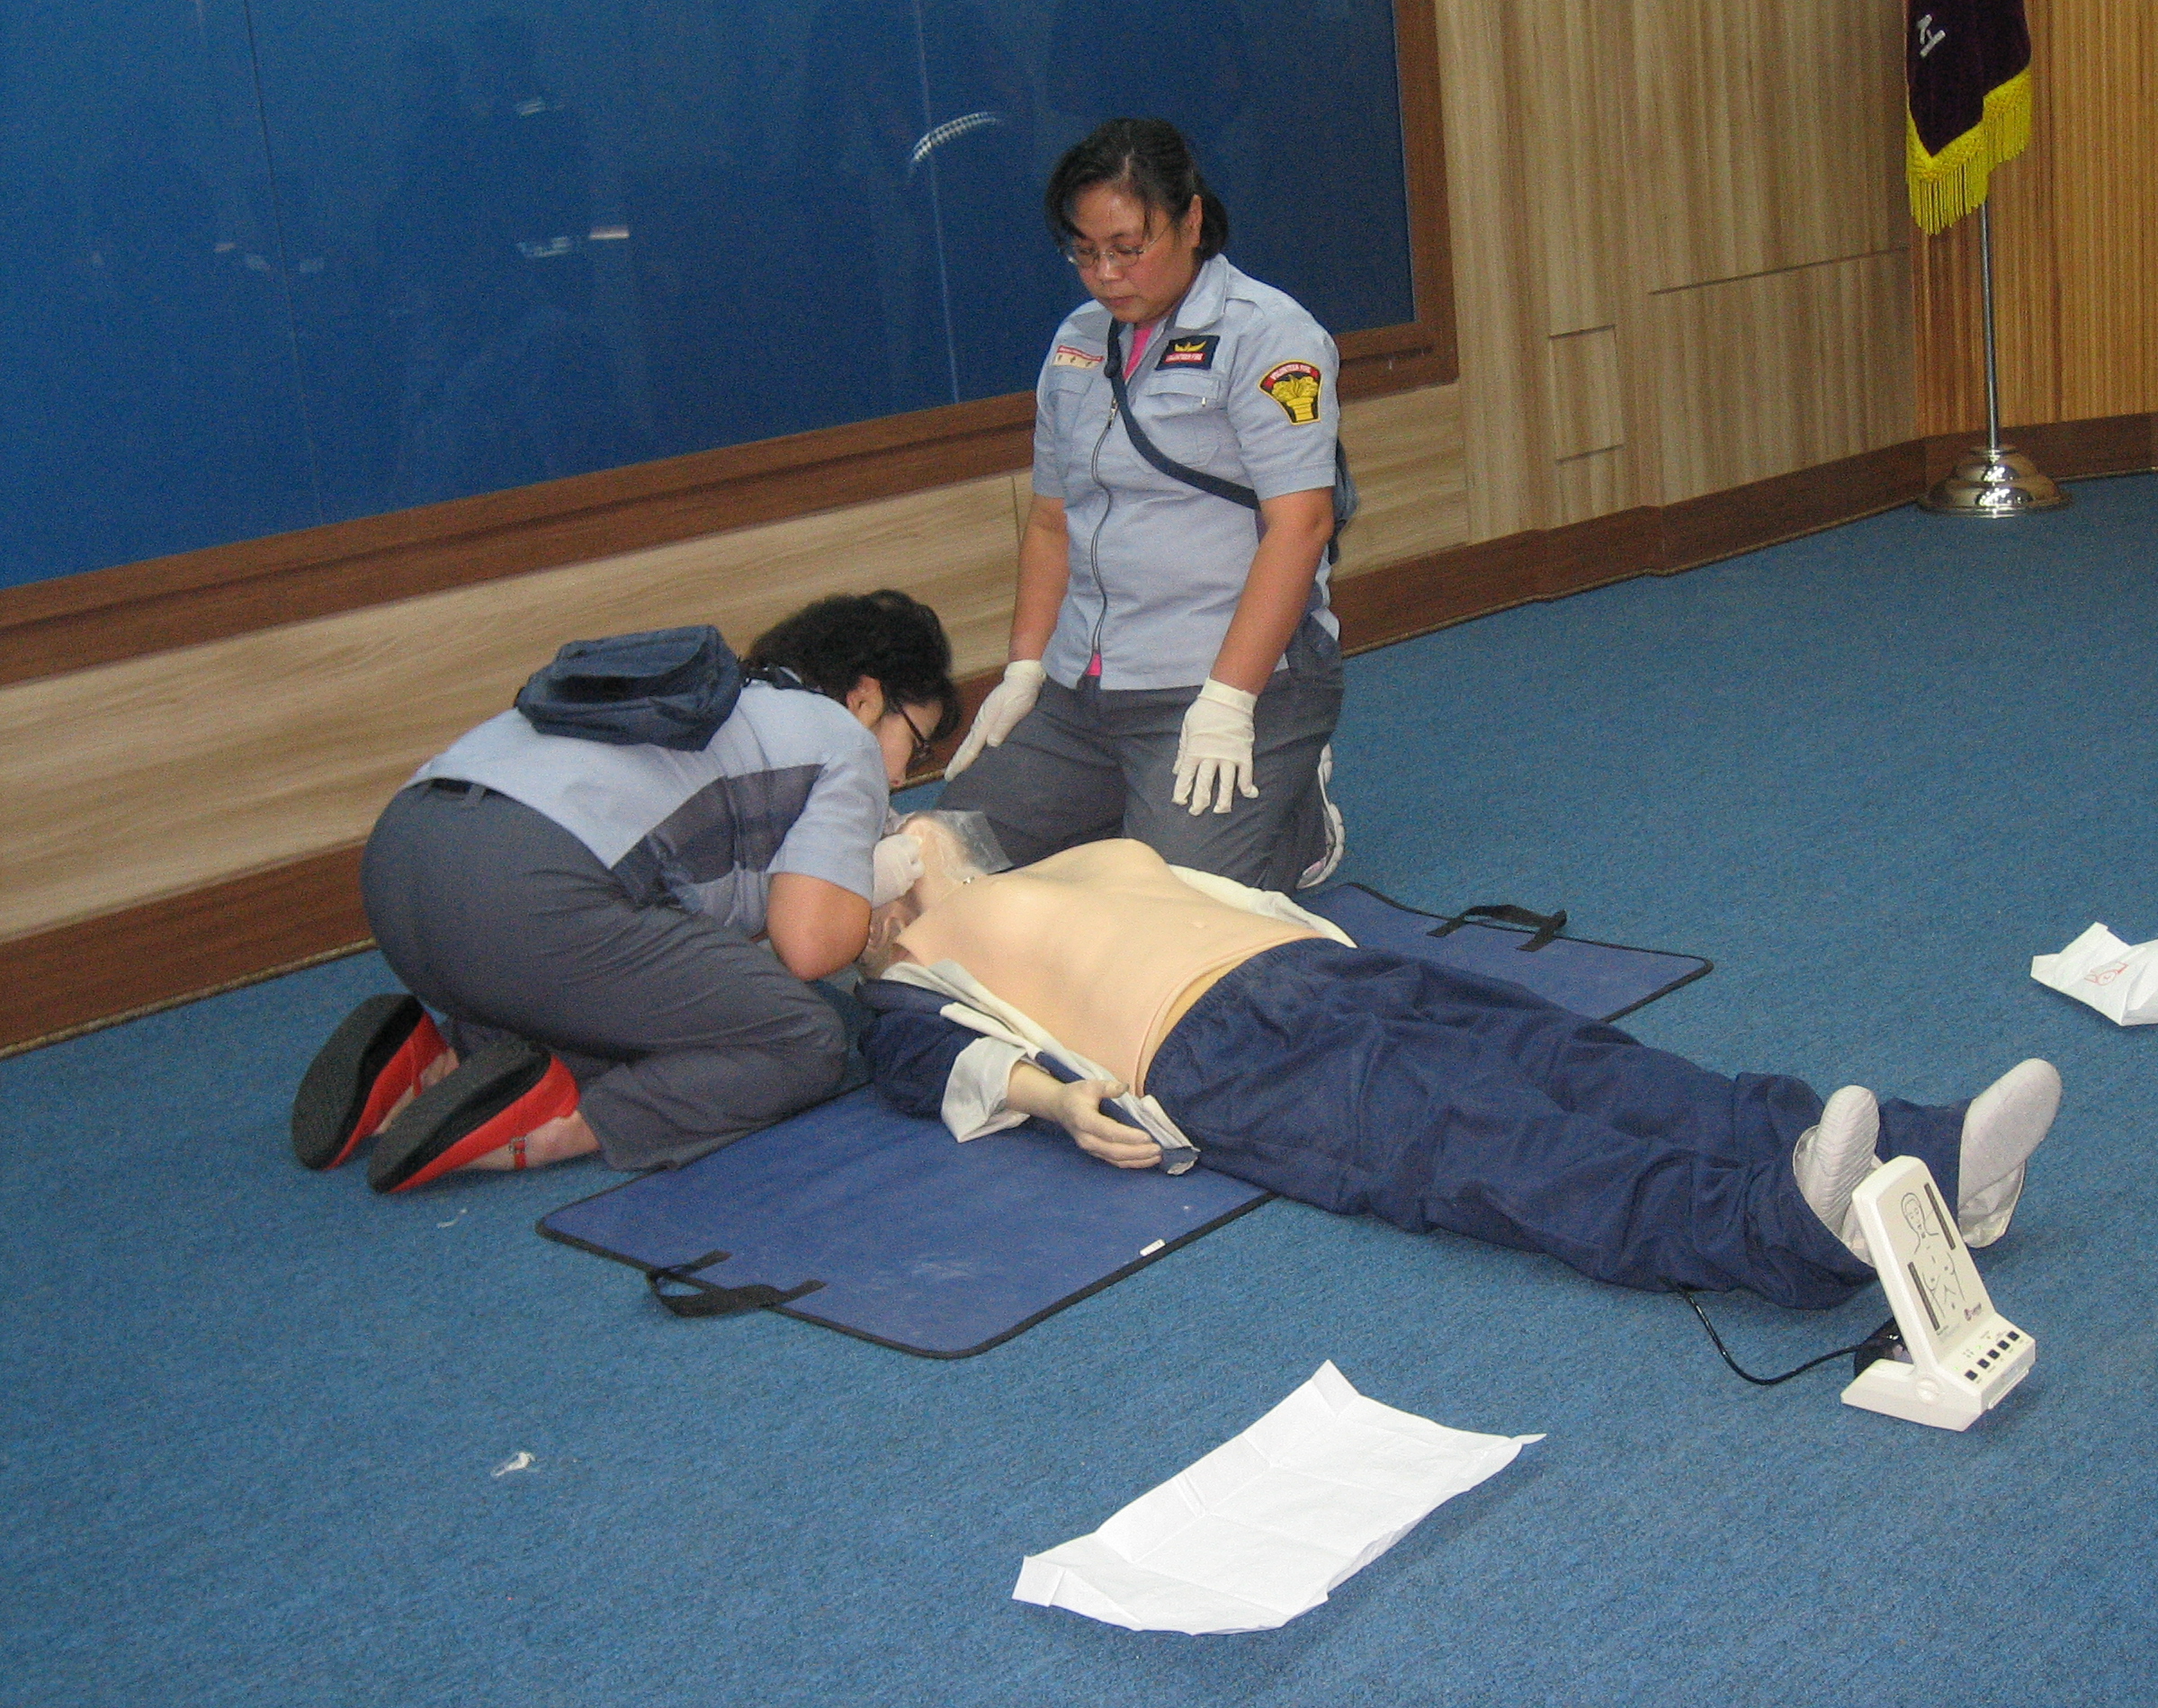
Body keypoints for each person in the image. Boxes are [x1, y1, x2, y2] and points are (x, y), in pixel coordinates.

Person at [855, 821, 2062, 1310]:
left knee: (1592, 1065)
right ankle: (1781, 1232)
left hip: (1331, 970)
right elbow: (921, 1059)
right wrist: (1059, 1100)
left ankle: (1931, 1161)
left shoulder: (1068, 853)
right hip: (1222, 1053)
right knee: (1501, 1141)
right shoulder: (905, 967)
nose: (909, 821)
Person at [292, 591, 961, 1194]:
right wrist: (872, 879)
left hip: (400, 866)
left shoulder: (711, 699)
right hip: (525, 898)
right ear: (865, 697)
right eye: (917, 744)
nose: (904, 776)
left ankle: (437, 1056)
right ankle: (559, 1127)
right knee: (802, 1036)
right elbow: (811, 949)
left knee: (667, 989)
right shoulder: (842, 740)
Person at [937, 117, 1346, 894]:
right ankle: (1132, 802)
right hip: (1085, 686)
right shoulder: (1077, 341)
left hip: (1222, 675)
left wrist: (1227, 703)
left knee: (1176, 898)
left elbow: (1302, 527)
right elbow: (1051, 519)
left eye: (1128, 248)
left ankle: (1298, 814)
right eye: (1085, 251)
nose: (1105, 274)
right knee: (949, 853)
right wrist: (1024, 668)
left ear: (1191, 221)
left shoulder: (1269, 337)